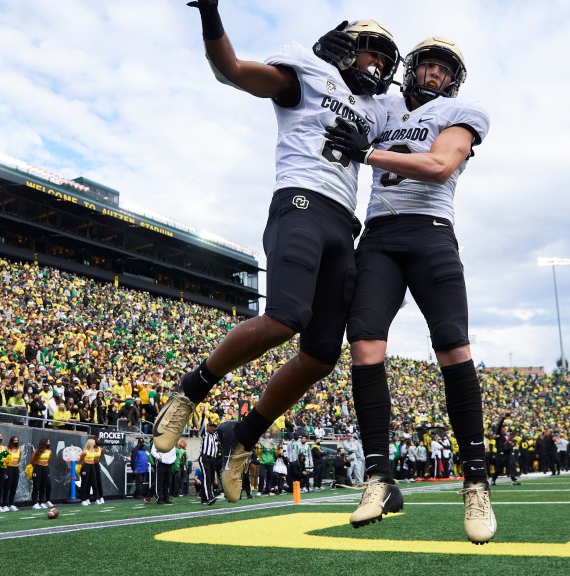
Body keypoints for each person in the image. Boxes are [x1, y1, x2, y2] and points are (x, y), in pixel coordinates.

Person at [152, 1, 399, 507]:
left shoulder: (378, 110)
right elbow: (234, 71)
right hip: (301, 203)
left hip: (343, 225)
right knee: (286, 316)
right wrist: (210, 16)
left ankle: (243, 435)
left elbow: (415, 132)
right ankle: (191, 390)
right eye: (368, 52)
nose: (375, 65)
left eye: (383, 58)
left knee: (323, 353)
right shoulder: (308, 72)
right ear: (347, 49)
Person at [323, 34, 492, 540]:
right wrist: (329, 61)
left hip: (431, 234)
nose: (435, 76)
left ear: (454, 79)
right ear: (411, 67)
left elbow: (441, 167)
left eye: (444, 70)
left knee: (453, 347)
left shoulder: (462, 111)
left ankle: (477, 481)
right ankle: (377, 477)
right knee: (365, 345)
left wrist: (369, 155)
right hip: (379, 238)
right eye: (428, 66)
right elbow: (338, 97)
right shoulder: (384, 106)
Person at [79, 438, 104, 505]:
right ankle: (83, 499)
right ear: (90, 444)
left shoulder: (93, 451)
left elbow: (97, 457)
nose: (94, 444)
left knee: (94, 482)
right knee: (84, 483)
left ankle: (96, 498)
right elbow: (80, 460)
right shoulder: (84, 451)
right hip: (86, 466)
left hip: (92, 466)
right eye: (93, 443)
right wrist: (83, 467)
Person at [0, 436, 22, 511]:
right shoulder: (7, 449)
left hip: (16, 468)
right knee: (7, 487)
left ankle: (11, 504)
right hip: (8, 468)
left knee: (14, 487)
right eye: (14, 440)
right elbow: (1, 459)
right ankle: (4, 504)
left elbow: (19, 459)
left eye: (17, 440)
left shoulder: (19, 450)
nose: (16, 441)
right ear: (11, 441)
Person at [30, 438, 53, 509]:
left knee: (43, 485)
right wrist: (37, 467)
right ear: (43, 443)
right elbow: (32, 461)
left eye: (49, 442)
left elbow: (48, 460)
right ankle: (35, 503)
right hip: (38, 468)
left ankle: (41, 502)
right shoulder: (36, 451)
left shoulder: (49, 451)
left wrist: (44, 466)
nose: (48, 443)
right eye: (47, 442)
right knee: (36, 486)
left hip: (45, 468)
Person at [198, 424, 219, 504]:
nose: (212, 428)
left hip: (213, 458)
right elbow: (202, 426)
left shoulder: (215, 435)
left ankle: (204, 497)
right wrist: (203, 415)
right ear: (207, 427)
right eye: (211, 426)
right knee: (207, 478)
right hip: (205, 458)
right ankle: (209, 497)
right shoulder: (204, 434)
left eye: (214, 427)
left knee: (210, 478)